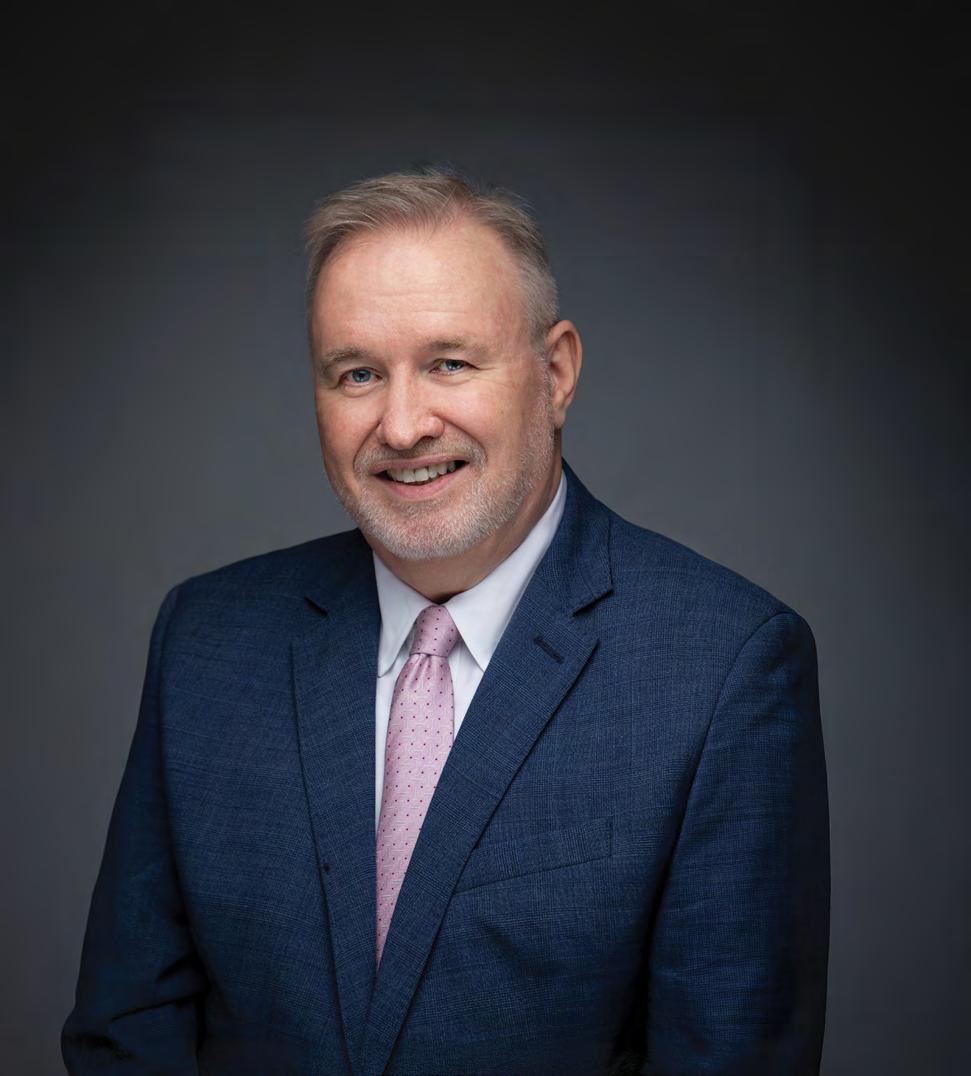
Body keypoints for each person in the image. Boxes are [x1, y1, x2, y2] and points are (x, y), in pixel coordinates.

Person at [62, 167, 830, 1075]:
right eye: (357, 373)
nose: (400, 426)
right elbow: (128, 1030)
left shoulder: (724, 666)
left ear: (555, 374)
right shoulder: (207, 641)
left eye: (449, 364)